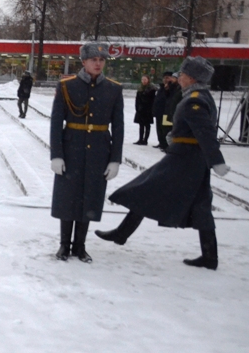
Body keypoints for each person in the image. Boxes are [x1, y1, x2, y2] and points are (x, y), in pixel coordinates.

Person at [95, 57, 230, 269]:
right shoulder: (199, 96)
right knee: (200, 204)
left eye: (183, 74)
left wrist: (217, 161)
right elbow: (194, 129)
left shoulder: (195, 100)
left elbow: (204, 133)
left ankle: (121, 234)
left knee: (146, 190)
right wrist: (175, 137)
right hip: (190, 157)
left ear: (192, 78)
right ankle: (210, 256)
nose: (179, 78)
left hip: (183, 158)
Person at [49, 41, 124, 263]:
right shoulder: (67, 86)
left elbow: (118, 127)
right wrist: (56, 154)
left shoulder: (113, 88)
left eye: (102, 60)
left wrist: (115, 160)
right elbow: (56, 122)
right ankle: (64, 245)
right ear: (84, 62)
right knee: (67, 198)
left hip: (99, 151)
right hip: (72, 149)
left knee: (89, 198)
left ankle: (80, 246)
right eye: (94, 60)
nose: (98, 63)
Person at [153, 73, 179, 150]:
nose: (166, 80)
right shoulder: (162, 87)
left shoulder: (173, 88)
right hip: (159, 111)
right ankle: (161, 143)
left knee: (166, 129)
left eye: (168, 78)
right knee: (160, 129)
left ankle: (166, 144)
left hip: (167, 111)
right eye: (164, 78)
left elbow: (170, 98)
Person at [133, 75, 156, 145]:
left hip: (148, 110)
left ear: (148, 80)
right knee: (141, 125)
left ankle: (145, 140)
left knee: (147, 125)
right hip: (140, 110)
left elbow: (152, 100)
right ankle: (140, 139)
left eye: (145, 79)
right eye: (142, 79)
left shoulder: (152, 89)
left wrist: (151, 109)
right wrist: (137, 108)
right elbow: (137, 99)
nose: (143, 81)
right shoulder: (140, 88)